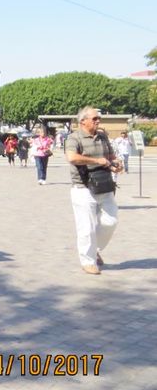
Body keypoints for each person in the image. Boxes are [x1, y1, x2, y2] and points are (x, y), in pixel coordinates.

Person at [65, 106, 122, 275]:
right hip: (83, 187)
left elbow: (110, 157)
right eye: (95, 118)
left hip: (104, 185)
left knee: (110, 221)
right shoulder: (74, 138)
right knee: (86, 228)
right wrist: (97, 160)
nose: (98, 121)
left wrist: (116, 164)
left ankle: (95, 249)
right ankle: (88, 261)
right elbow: (72, 158)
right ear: (83, 121)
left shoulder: (103, 136)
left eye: (99, 119)